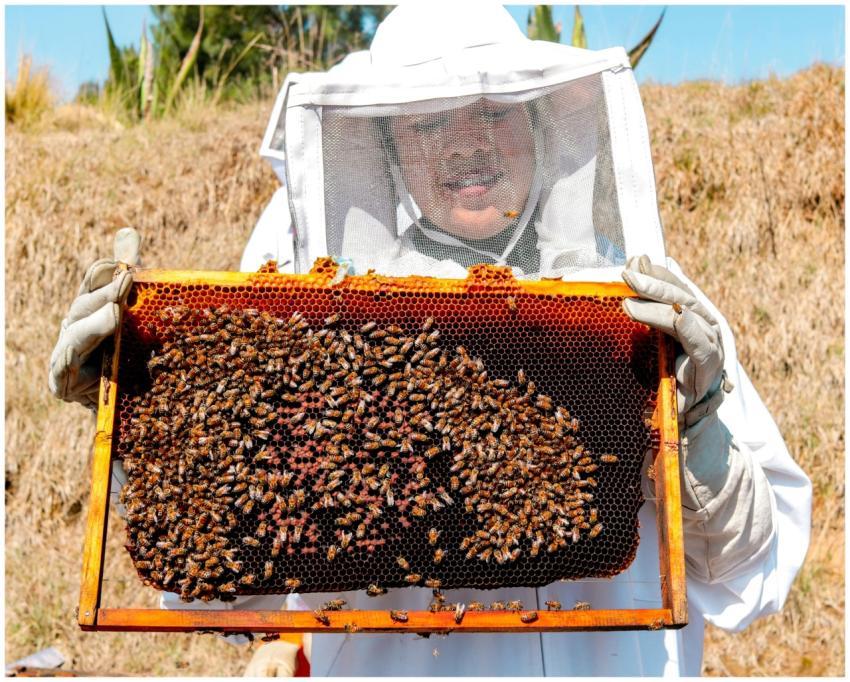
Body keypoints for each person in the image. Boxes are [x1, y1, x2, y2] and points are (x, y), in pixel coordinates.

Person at [49, 2, 811, 676]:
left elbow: (755, 573)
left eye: (493, 111)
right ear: (384, 148)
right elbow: (219, 593)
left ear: (540, 121)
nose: (465, 143)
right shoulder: (306, 309)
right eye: (430, 121)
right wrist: (140, 423)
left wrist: (701, 422)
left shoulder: (650, 301)